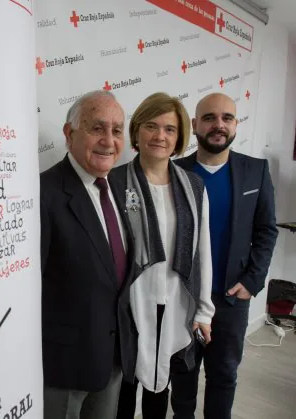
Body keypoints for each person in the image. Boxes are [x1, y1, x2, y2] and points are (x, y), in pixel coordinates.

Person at [171, 92, 279, 419]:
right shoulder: (174, 173)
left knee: (224, 376)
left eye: (227, 118)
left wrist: (252, 281)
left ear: (235, 124)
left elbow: (266, 230)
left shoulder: (256, 171)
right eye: (209, 118)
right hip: (184, 299)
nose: (218, 125)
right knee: (182, 375)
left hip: (232, 299)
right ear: (194, 125)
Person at [113, 93, 215, 419]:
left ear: (179, 137)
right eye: (151, 126)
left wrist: (204, 310)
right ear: (137, 132)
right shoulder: (113, 182)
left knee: (160, 387)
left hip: (174, 302)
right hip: (130, 302)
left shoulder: (194, 186)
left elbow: (203, 253)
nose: (160, 136)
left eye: (169, 129)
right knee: (124, 387)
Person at [40, 90, 137, 419]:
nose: (109, 141)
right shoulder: (43, 194)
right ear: (69, 134)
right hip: (62, 369)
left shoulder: (118, 189)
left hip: (112, 361)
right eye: (97, 128)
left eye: (117, 130)